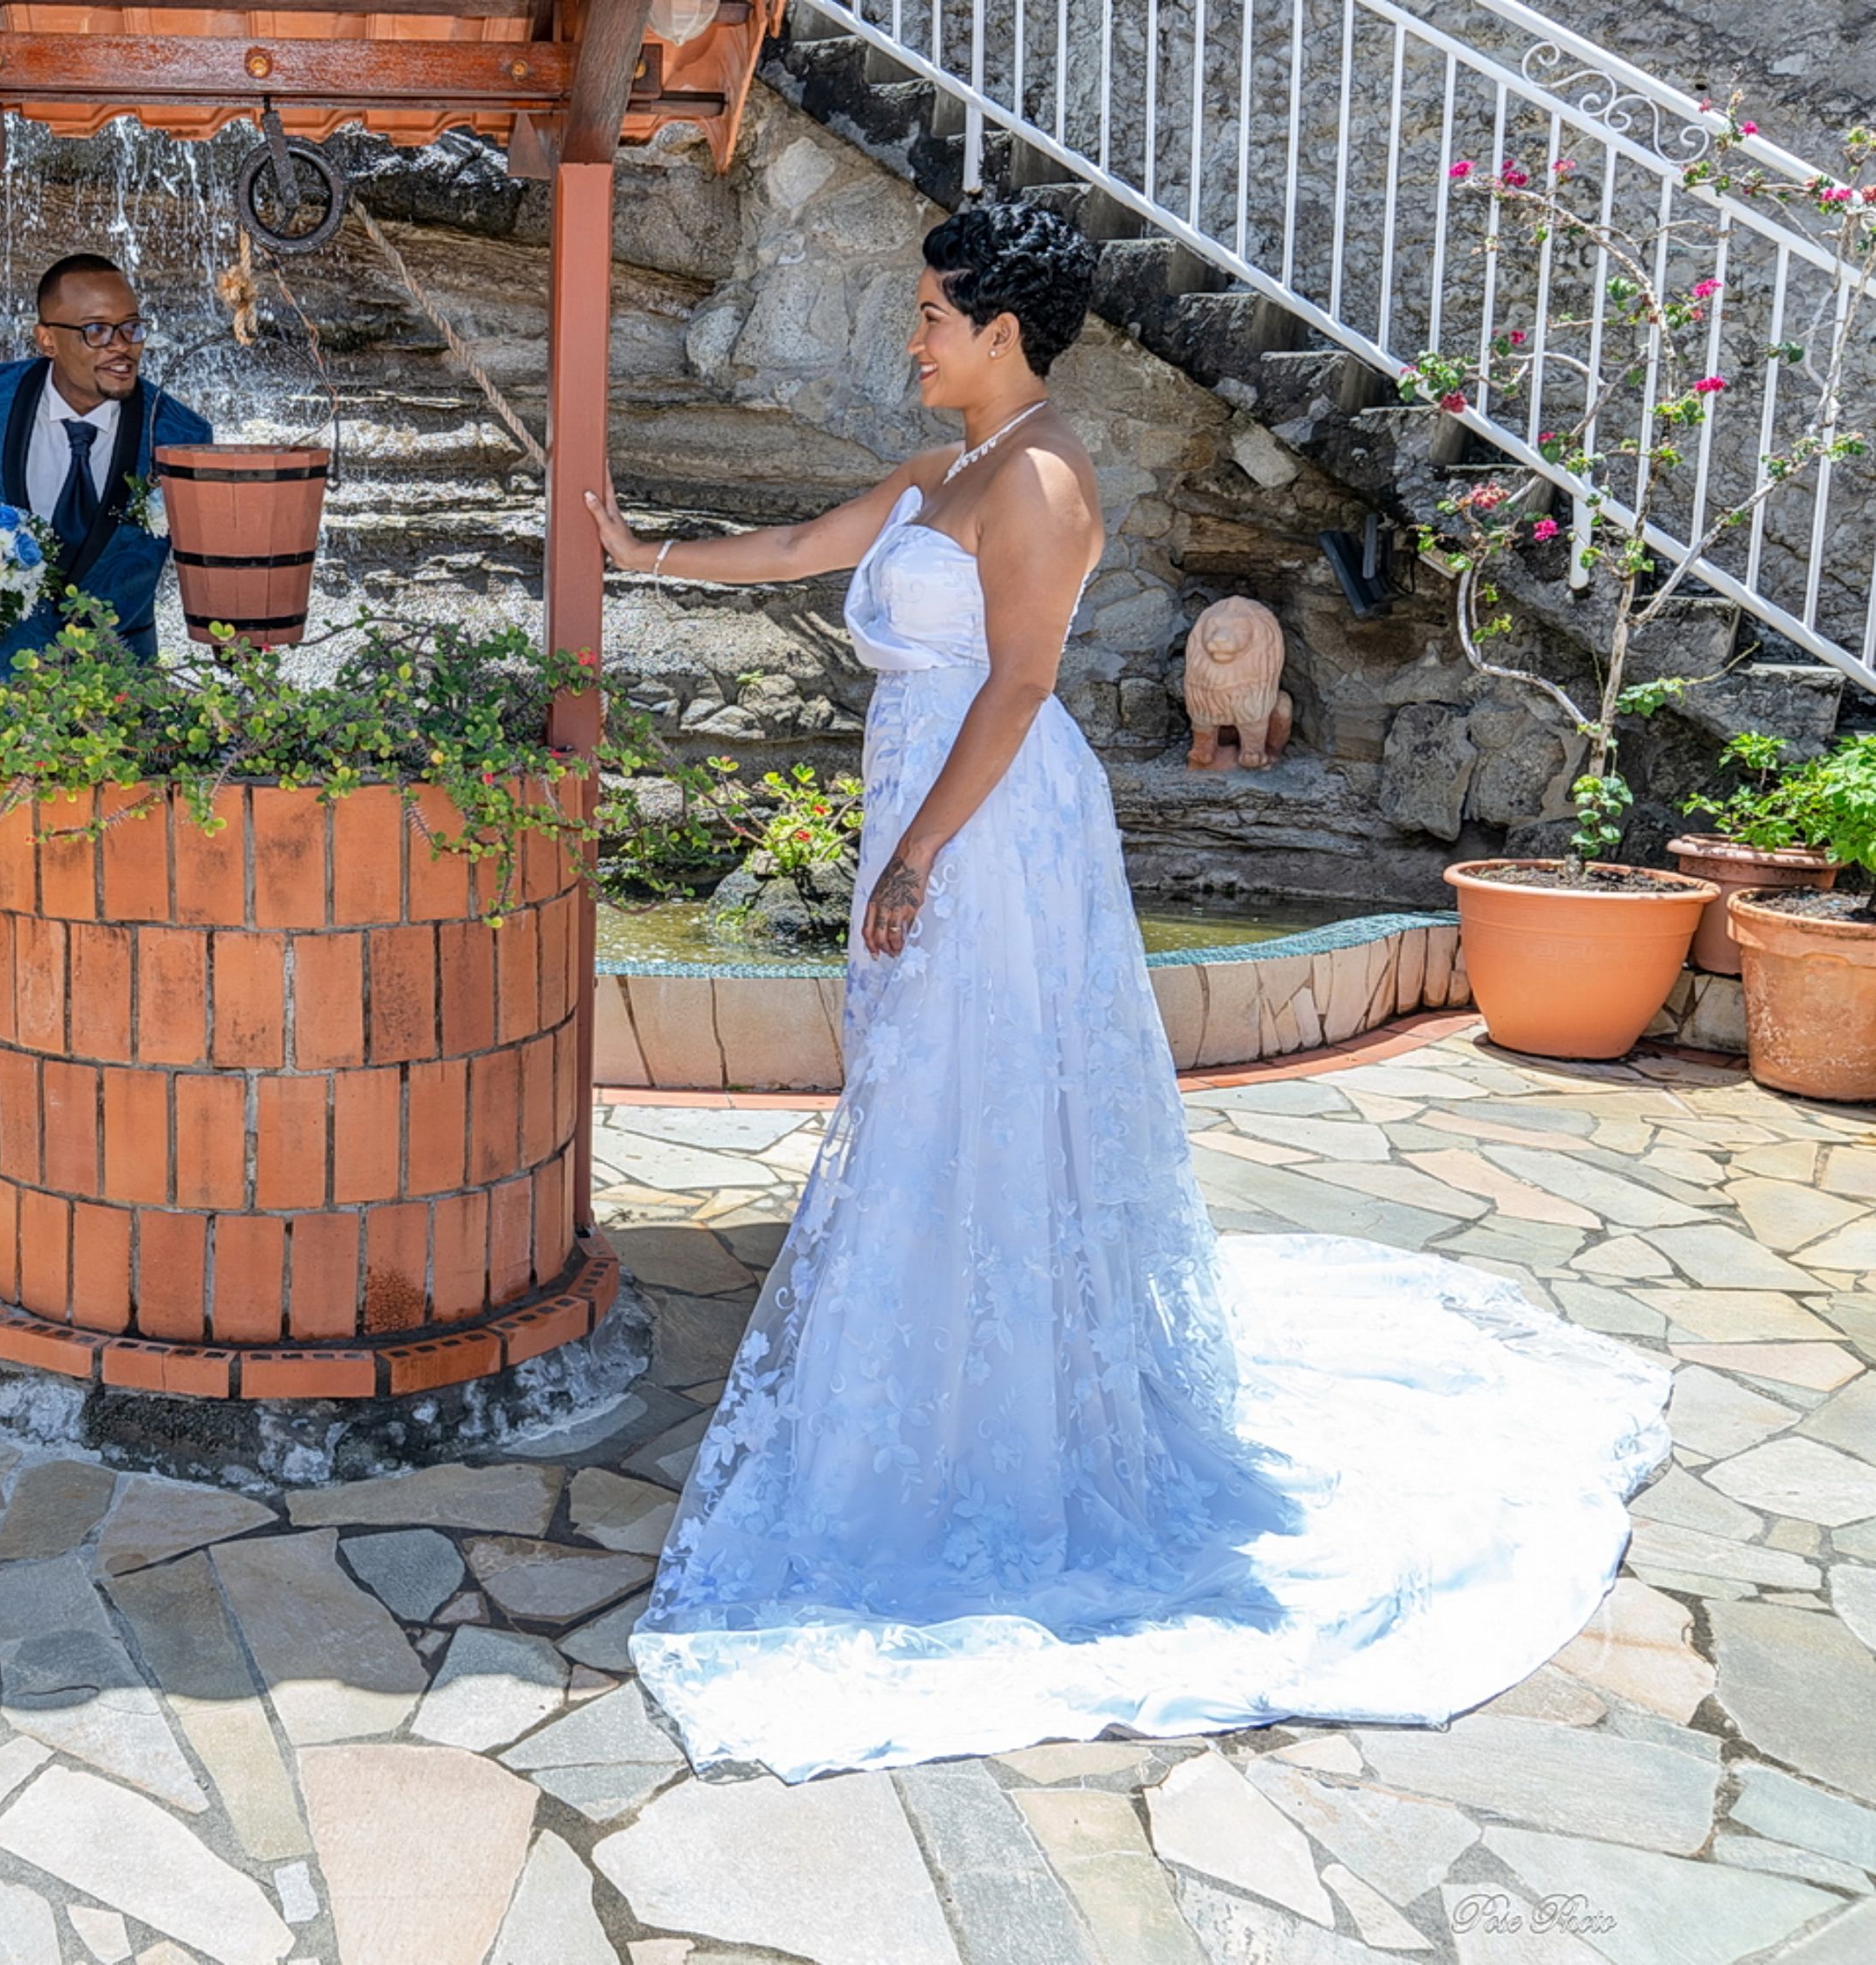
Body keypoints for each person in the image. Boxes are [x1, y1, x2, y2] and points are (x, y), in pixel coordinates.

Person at [590, 197, 1671, 1779]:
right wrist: (647, 554)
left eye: (932, 313)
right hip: (929, 802)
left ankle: (1005, 1406)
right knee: (929, 1090)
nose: (912, 333)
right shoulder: (942, 469)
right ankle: (953, 1364)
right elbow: (803, 545)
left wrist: (914, 860)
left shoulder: (1040, 478)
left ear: (1001, 330)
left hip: (988, 828)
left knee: (973, 1086)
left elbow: (1023, 685)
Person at [0, 253, 213, 675]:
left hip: (122, 688)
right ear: (46, 340)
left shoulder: (182, 435)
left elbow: (211, 570)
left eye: (131, 327)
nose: (122, 346)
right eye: (96, 330)